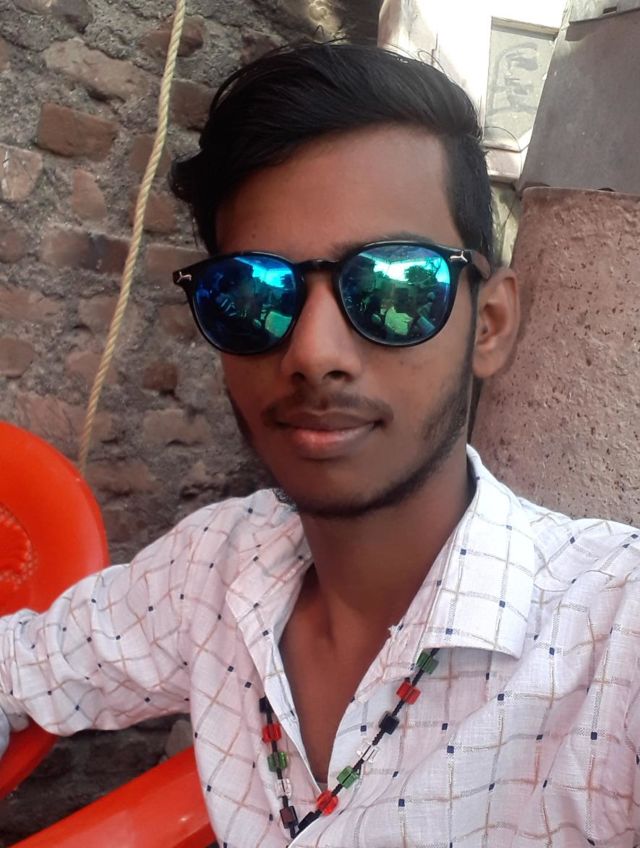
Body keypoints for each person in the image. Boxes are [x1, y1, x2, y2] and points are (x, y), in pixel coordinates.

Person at [1, 42, 639, 848]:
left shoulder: (610, 639)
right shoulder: (213, 570)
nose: (312, 352)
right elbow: (20, 667)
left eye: (393, 286)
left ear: (490, 323)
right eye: (250, 294)